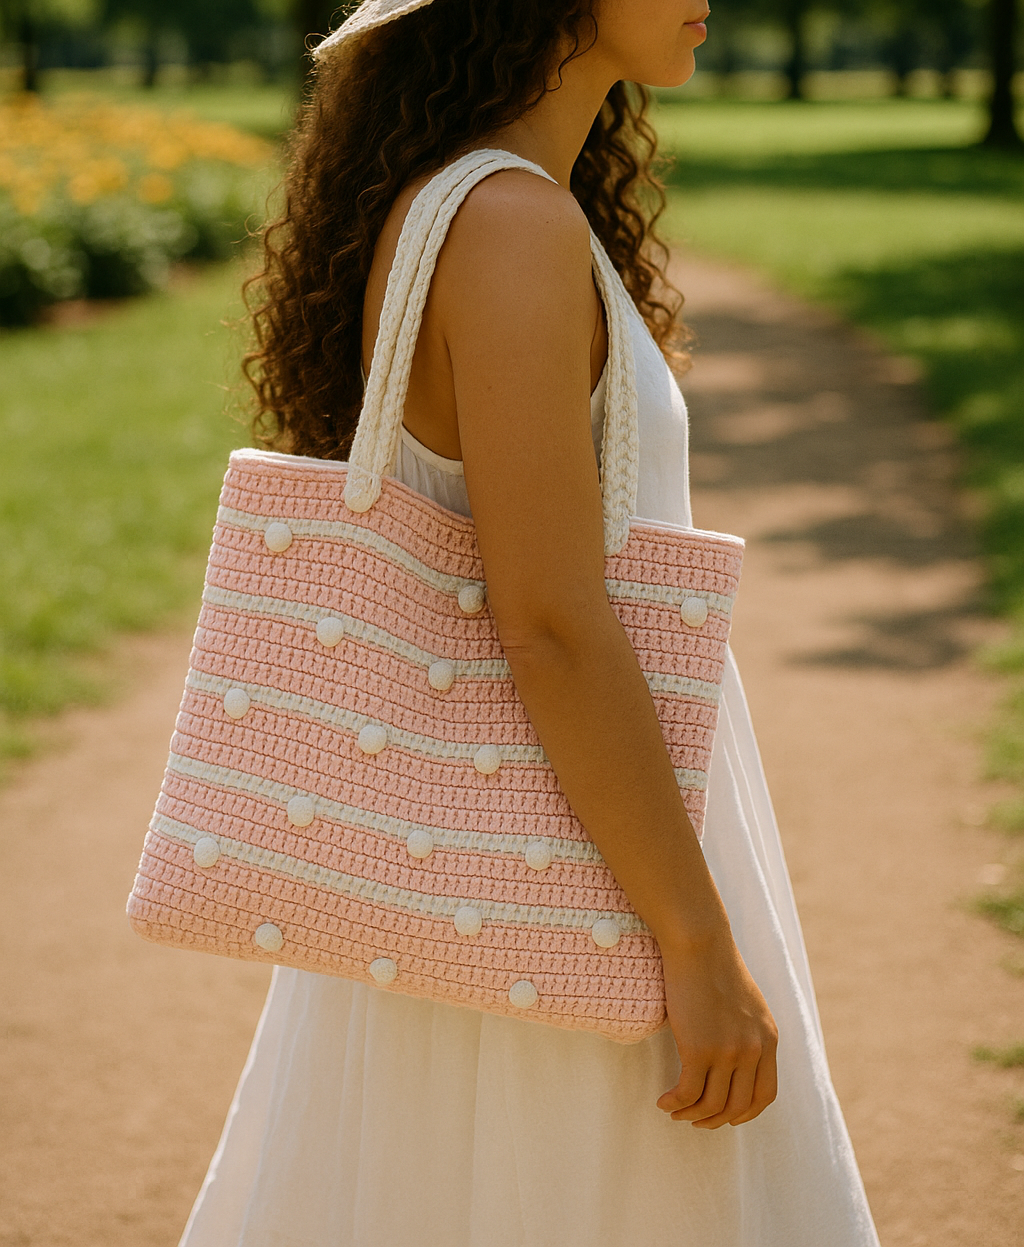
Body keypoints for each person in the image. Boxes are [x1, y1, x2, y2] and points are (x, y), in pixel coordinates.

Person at [179, 1, 881, 1243]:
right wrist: (695, 935)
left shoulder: (489, 200)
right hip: (570, 870)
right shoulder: (508, 221)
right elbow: (551, 619)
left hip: (496, 850)